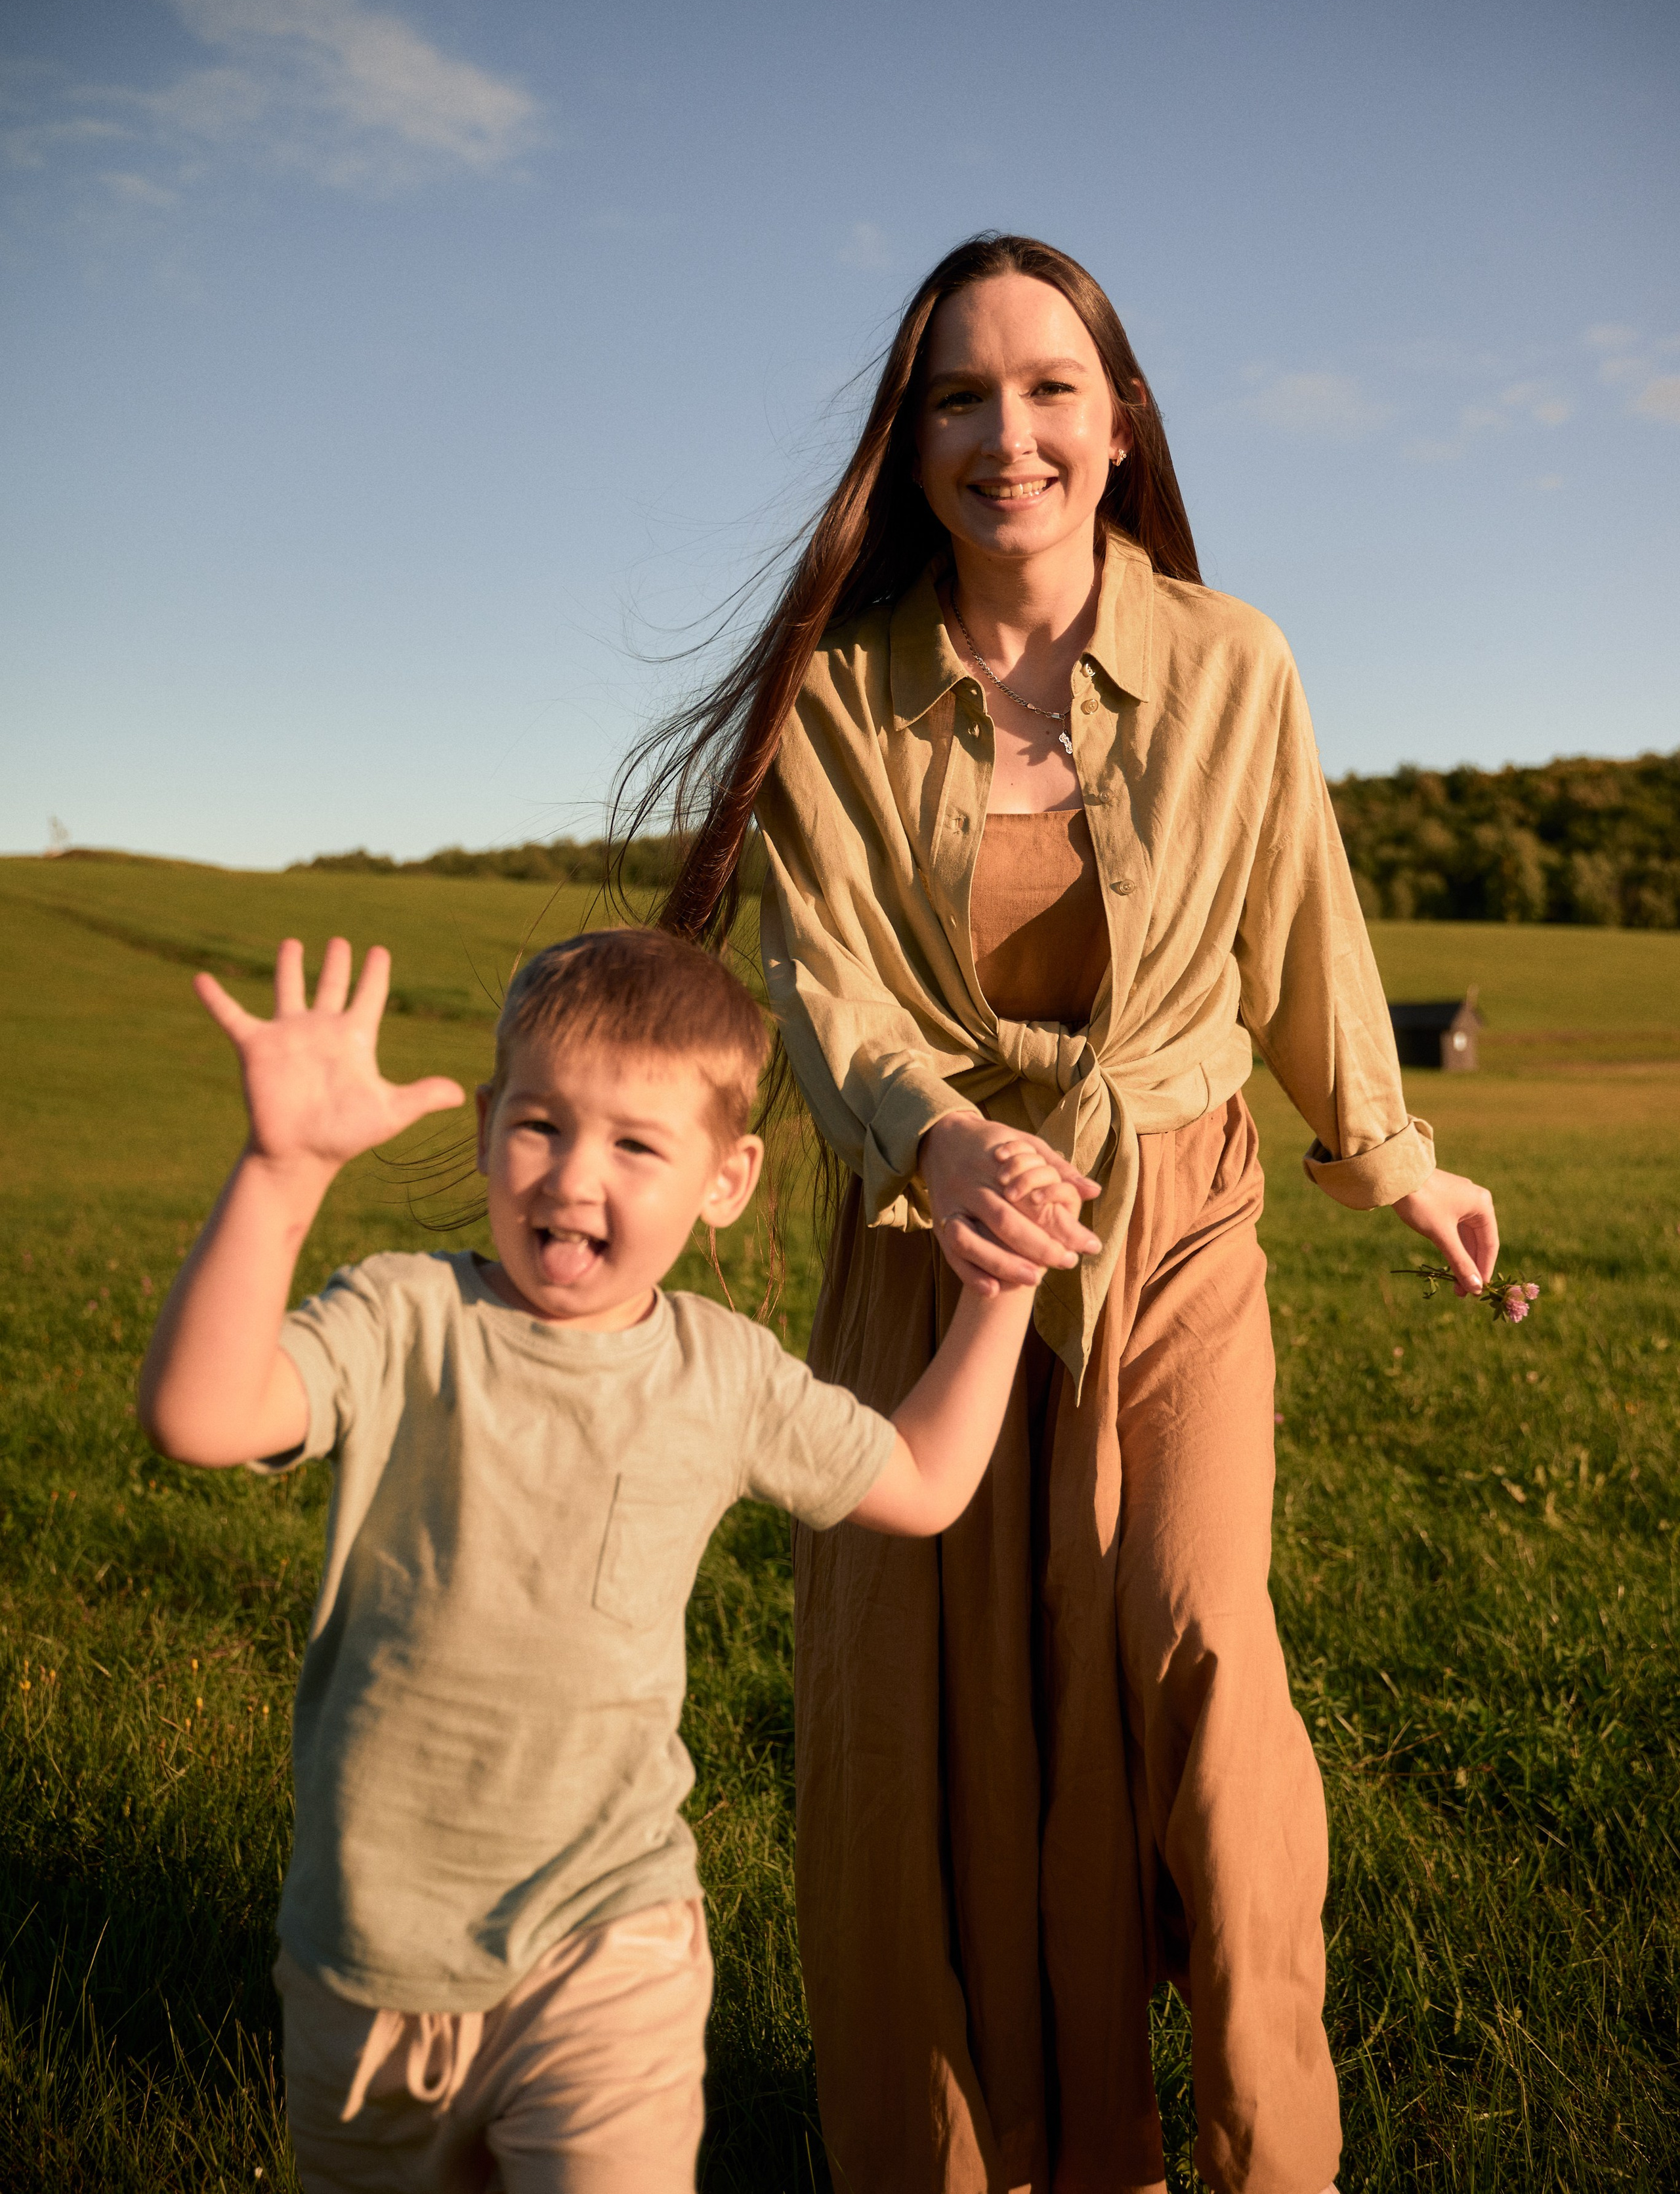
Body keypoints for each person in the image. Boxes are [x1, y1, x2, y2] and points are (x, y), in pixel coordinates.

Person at [627, 234, 1500, 2194]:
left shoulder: (1233, 659)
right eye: (957, 393)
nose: (1003, 432)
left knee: (1194, 1638)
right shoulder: (838, 696)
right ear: (910, 438)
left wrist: (1401, 1158)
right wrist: (943, 1151)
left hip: (1170, 1216)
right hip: (921, 1252)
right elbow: (833, 993)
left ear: (1119, 426)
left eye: (1045, 388)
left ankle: (1270, 2145)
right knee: (917, 1720)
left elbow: (1305, 936)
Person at [137, 923, 1076, 2194]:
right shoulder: (408, 1318)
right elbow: (200, 1412)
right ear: (484, 1129)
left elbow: (917, 1482)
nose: (575, 1177)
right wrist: (277, 1172)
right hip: (367, 1954)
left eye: (635, 1145)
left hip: (609, 1930)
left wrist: (999, 1295)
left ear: (725, 1178)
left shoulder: (718, 1370)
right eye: (540, 1125)